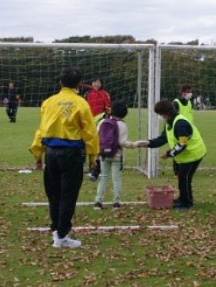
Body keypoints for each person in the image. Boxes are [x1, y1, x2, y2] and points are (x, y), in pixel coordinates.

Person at [30, 67, 99, 248]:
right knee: (68, 195)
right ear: (78, 84)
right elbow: (90, 133)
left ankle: (57, 232)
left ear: (60, 82)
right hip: (72, 154)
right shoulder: (81, 103)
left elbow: (42, 129)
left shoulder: (49, 102)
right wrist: (93, 157)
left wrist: (38, 153)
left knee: (54, 194)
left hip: (51, 154)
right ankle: (61, 236)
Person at [144, 100, 207, 210]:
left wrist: (169, 153)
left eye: (159, 114)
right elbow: (163, 138)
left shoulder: (180, 124)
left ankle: (187, 203)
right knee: (182, 177)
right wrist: (148, 143)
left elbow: (183, 143)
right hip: (184, 155)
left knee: (184, 177)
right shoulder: (169, 122)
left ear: (165, 113)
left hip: (194, 153)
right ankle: (184, 198)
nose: (159, 117)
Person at [94, 101, 146, 210]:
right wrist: (135, 144)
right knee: (116, 179)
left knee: (103, 177)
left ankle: (98, 202)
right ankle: (116, 202)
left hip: (103, 154)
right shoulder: (122, 124)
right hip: (117, 155)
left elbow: (96, 137)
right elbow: (123, 142)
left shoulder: (102, 121)